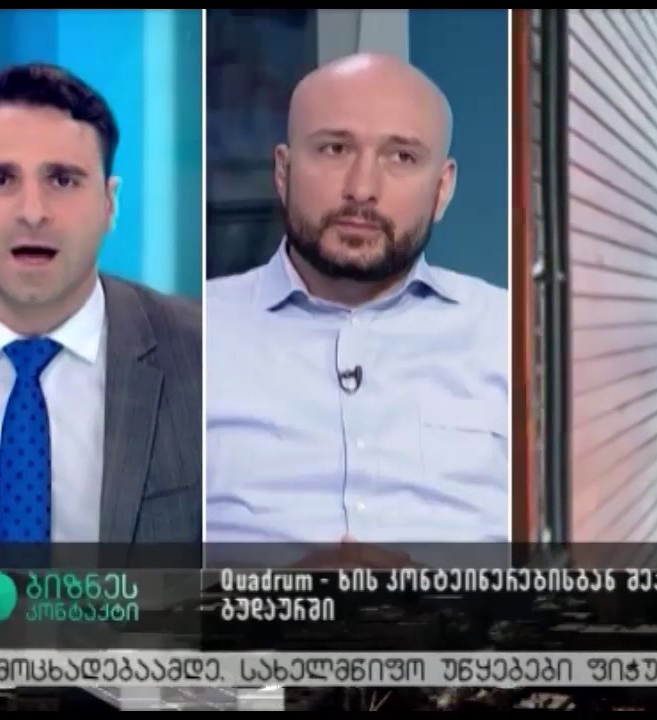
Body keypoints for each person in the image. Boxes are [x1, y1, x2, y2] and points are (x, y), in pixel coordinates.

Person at [0, 63, 202, 557]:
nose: (33, 212)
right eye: (0, 179)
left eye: (62, 180)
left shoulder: (206, 354)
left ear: (109, 203)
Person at [205, 52, 508, 552]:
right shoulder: (195, 336)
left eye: (402, 157)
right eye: (334, 149)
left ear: (443, 188)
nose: (362, 190)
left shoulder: (511, 336)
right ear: (283, 171)